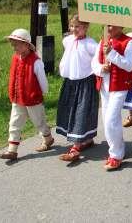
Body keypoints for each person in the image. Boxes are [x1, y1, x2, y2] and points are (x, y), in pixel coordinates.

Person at [0, 29, 54, 160]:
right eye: (13, 45)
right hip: (18, 98)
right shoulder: (16, 58)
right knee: (14, 123)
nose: (14, 48)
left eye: (16, 45)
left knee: (39, 122)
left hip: (32, 98)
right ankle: (12, 150)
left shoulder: (36, 61)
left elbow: (42, 79)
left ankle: (48, 138)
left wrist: (44, 91)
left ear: (26, 45)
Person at [92, 25, 132, 171]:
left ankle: (116, 155)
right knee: (107, 120)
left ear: (121, 25)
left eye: (112, 24)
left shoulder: (129, 42)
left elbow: (129, 66)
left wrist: (112, 54)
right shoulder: (103, 40)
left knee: (111, 120)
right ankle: (117, 147)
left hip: (120, 86)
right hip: (104, 85)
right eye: (107, 24)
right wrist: (100, 68)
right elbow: (94, 62)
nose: (109, 27)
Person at [56, 15, 99, 162]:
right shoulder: (67, 40)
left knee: (80, 112)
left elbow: (99, 59)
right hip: (70, 81)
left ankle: (75, 148)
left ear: (86, 27)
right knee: (70, 111)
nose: (74, 29)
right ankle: (86, 140)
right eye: (72, 26)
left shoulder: (91, 44)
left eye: (78, 27)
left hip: (85, 82)